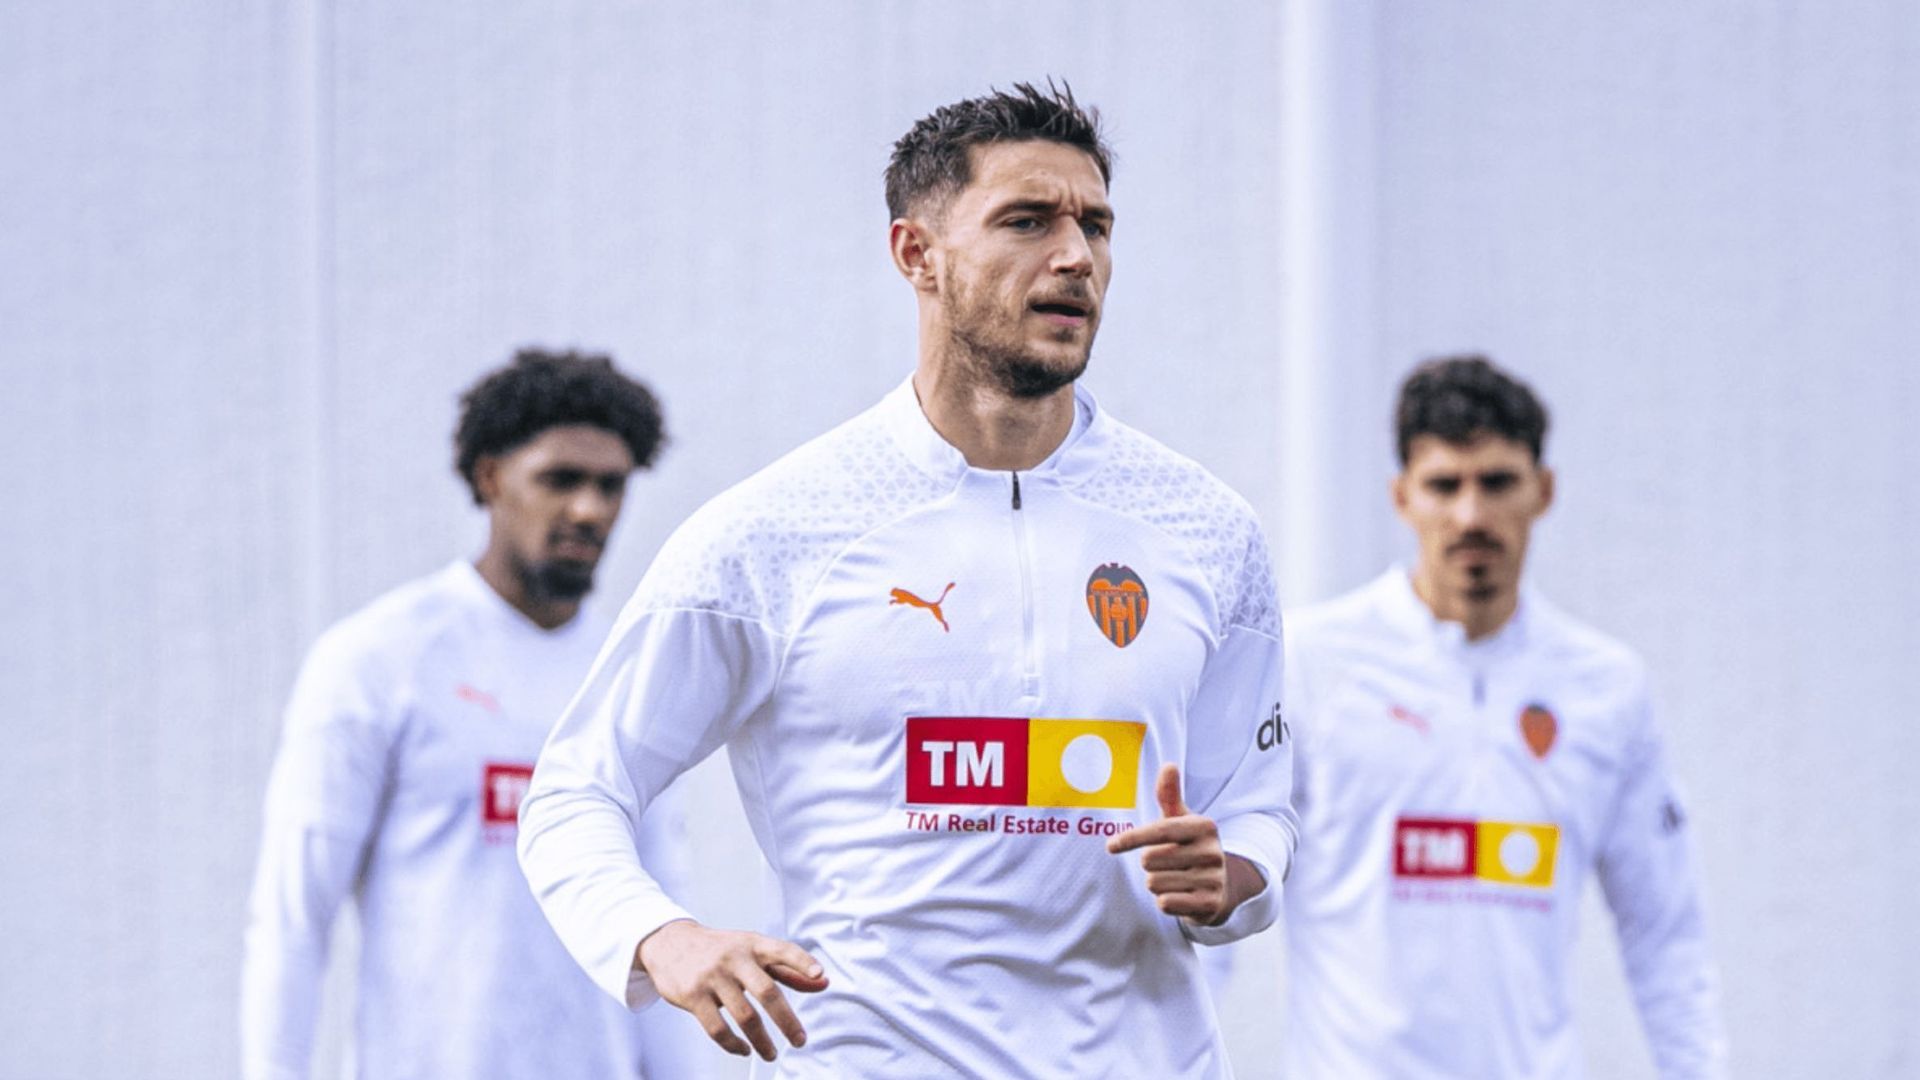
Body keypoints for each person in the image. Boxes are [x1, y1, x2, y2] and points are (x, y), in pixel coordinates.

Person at [517, 82, 1296, 1078]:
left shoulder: (1206, 531)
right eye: (1027, 221)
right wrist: (663, 939)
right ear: (915, 254)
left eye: (1096, 226)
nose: (1075, 257)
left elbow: (1259, 807)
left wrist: (1231, 877)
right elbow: (576, 787)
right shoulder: (779, 530)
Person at [241, 349, 705, 1079]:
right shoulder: (379, 661)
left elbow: (665, 917)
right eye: (560, 480)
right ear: (491, 478)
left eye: (610, 485)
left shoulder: (630, 675)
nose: (589, 508)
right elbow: (294, 920)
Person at [1280, 355, 1727, 1077]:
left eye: (1496, 482)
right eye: (1443, 485)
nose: (1470, 515)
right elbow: (1223, 895)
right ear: (1402, 498)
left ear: (1542, 491)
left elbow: (1665, 933)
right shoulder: (1310, 662)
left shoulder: (1605, 688)